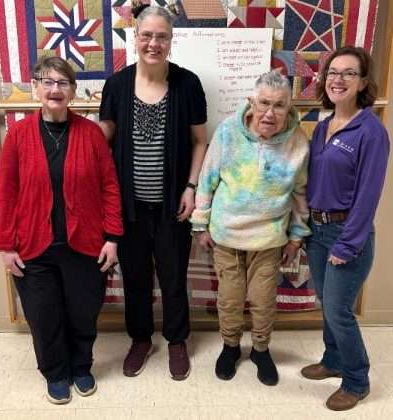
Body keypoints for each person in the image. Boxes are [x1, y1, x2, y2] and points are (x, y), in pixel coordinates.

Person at [0, 56, 123, 404]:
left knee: (83, 312)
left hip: (85, 245)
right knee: (43, 315)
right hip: (33, 247)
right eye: (47, 82)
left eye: (63, 83)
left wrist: (112, 237)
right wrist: (5, 245)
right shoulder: (18, 136)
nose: (55, 89)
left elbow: (110, 187)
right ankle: (56, 372)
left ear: (73, 91)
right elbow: (6, 192)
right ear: (35, 88)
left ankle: (81, 366)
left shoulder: (91, 135)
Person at [99, 4, 207, 381]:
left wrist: (191, 187)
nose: (153, 43)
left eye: (162, 36)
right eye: (146, 35)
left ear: (171, 41)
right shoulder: (116, 85)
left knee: (174, 276)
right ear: (135, 38)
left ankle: (176, 340)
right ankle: (141, 339)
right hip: (128, 208)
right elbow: (103, 140)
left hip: (172, 206)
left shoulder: (187, 84)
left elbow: (199, 141)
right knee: (135, 277)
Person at [190, 71, 310, 386]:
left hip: (269, 238)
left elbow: (301, 192)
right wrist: (200, 225)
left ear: (289, 107)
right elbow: (207, 179)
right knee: (230, 298)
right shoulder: (228, 131)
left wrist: (297, 236)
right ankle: (230, 346)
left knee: (263, 299)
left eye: (279, 105)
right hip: (226, 235)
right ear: (251, 102)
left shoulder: (298, 141)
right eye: (264, 103)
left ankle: (260, 349)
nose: (270, 113)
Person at [301, 46, 390, 411]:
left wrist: (348, 244)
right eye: (333, 72)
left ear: (363, 82)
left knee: (339, 310)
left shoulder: (371, 131)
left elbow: (368, 195)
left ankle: (356, 381)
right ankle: (333, 360)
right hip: (318, 231)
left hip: (346, 235)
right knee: (327, 303)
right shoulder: (323, 126)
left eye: (349, 73)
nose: (338, 79)